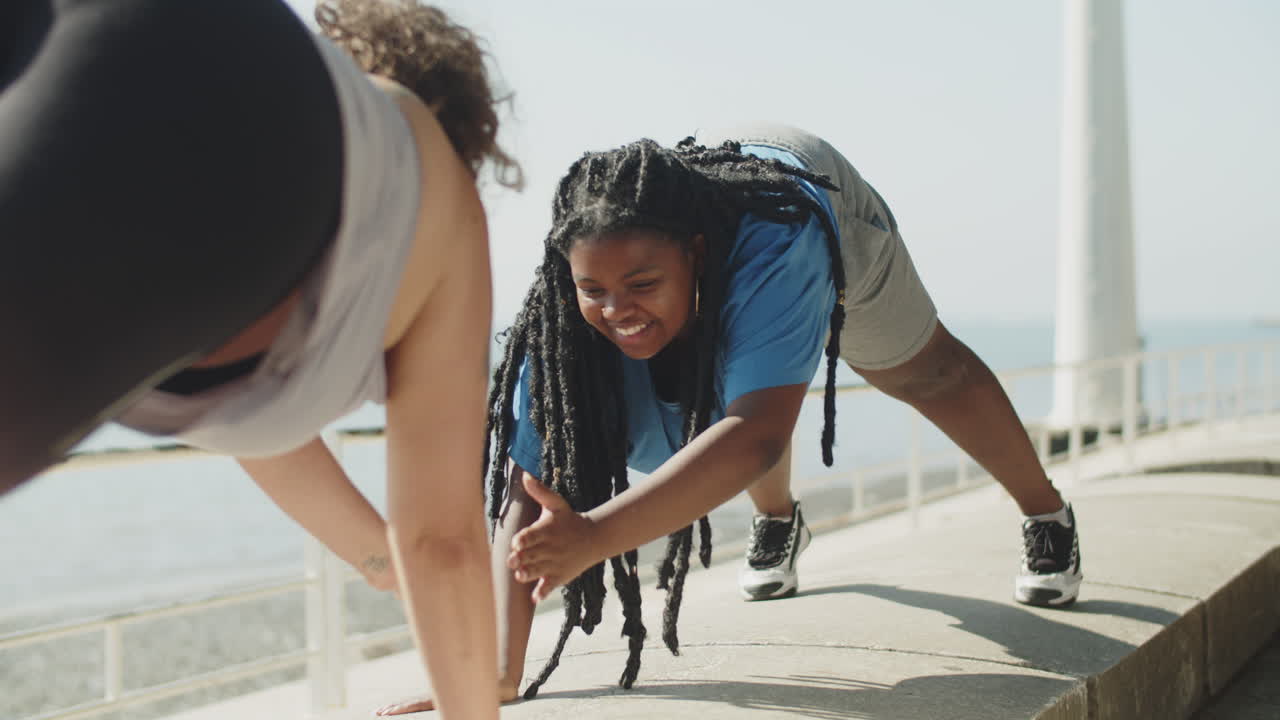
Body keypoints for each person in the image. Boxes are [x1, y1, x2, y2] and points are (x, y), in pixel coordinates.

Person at [0, 1, 517, 718]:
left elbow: (394, 547)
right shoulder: (435, 190)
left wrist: (385, 567)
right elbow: (442, 542)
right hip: (240, 93)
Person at [482, 125, 1083, 702]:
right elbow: (528, 489)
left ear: (695, 252)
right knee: (734, 390)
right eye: (594, 289)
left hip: (815, 202)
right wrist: (499, 673)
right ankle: (779, 522)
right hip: (709, 240)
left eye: (640, 284)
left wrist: (593, 537)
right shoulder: (559, 325)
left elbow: (757, 437)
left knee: (920, 373)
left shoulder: (778, 245)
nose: (616, 308)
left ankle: (1046, 512)